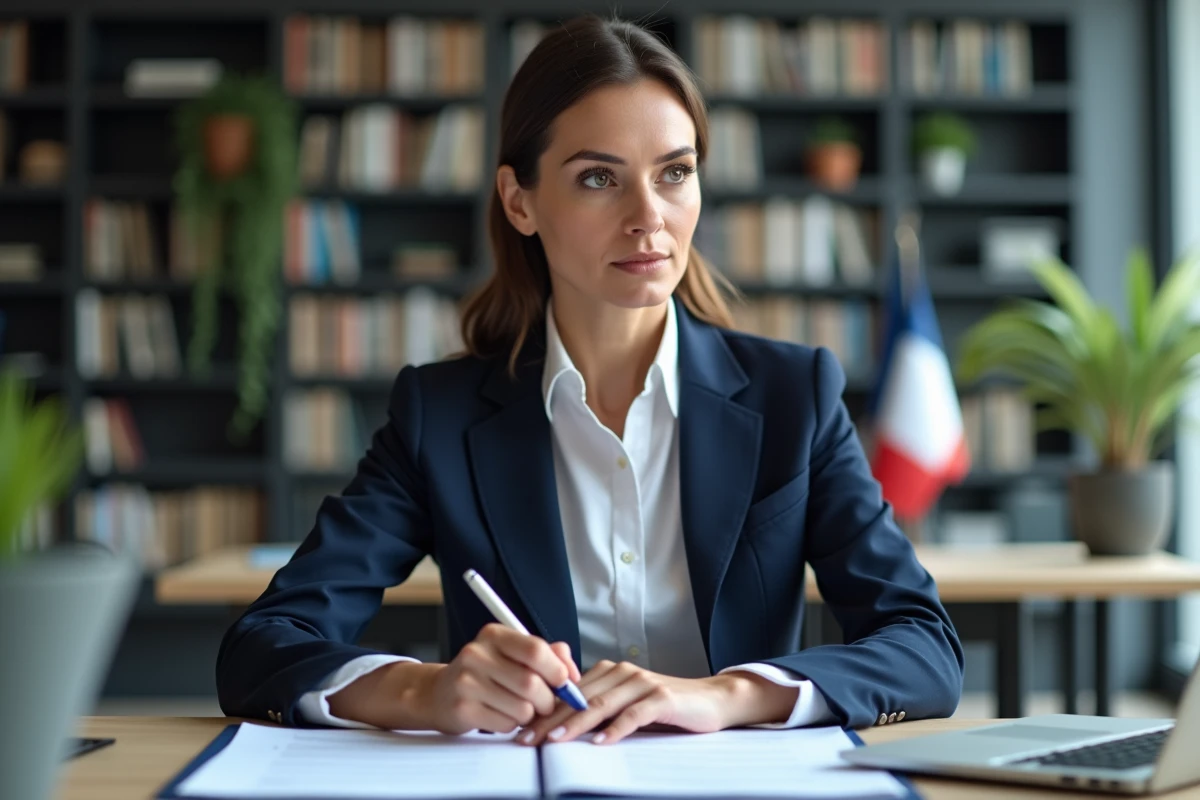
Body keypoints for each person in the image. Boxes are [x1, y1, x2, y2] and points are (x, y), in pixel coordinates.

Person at [216, 14, 963, 746]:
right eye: (600, 178)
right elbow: (262, 646)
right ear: (521, 202)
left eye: (675, 173)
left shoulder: (793, 397)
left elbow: (924, 647)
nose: (650, 218)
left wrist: (725, 695)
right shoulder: (437, 417)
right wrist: (426, 689)